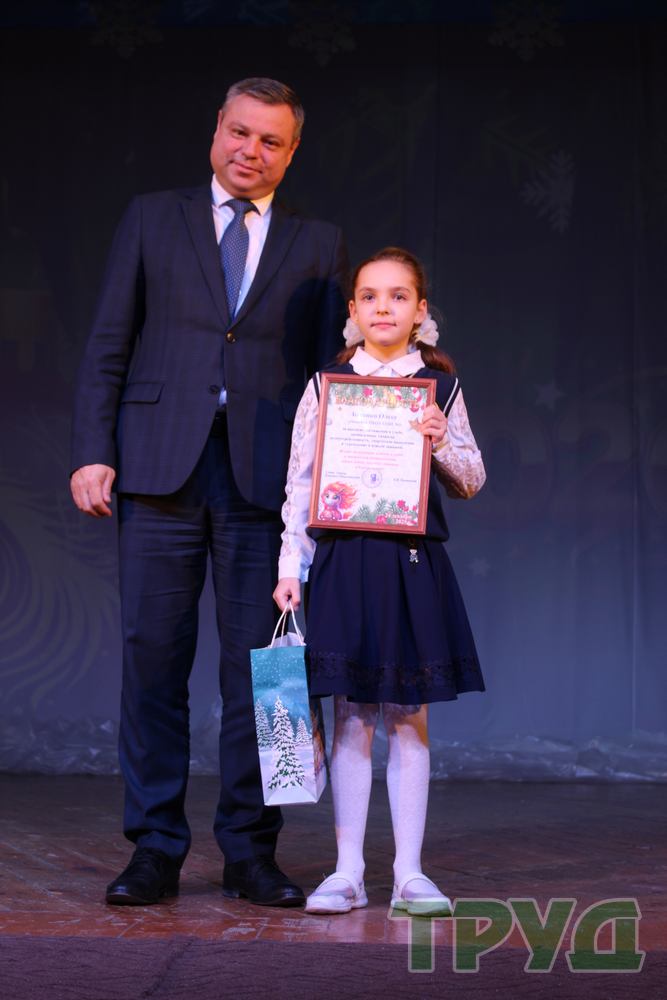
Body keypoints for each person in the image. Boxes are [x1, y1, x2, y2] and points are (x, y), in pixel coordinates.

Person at [69, 78, 347, 908]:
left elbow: (329, 376)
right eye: (239, 132)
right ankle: (153, 847)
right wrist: (93, 452)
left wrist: (340, 477)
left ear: (290, 154)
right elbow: (109, 341)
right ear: (216, 130)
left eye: (270, 141)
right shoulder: (153, 217)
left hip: (267, 480)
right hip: (158, 468)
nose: (249, 151)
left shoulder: (318, 241)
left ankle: (253, 851)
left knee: (269, 671)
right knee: (152, 659)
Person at [273, 247, 485, 915]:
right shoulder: (327, 385)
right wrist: (290, 567)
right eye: (370, 296)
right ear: (353, 310)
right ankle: (347, 872)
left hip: (410, 564)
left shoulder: (439, 388)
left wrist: (440, 438)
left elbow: (472, 479)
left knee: (409, 718)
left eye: (398, 296)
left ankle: (409, 873)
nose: (383, 307)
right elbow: (301, 482)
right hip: (344, 560)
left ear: (419, 310)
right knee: (351, 717)